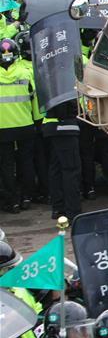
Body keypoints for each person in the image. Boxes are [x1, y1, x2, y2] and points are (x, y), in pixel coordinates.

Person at [0, 37, 40, 214]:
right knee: (26, 162)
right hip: (25, 124)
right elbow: (32, 95)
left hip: (2, 128)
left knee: (7, 165)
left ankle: (12, 201)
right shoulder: (25, 73)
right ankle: (27, 197)